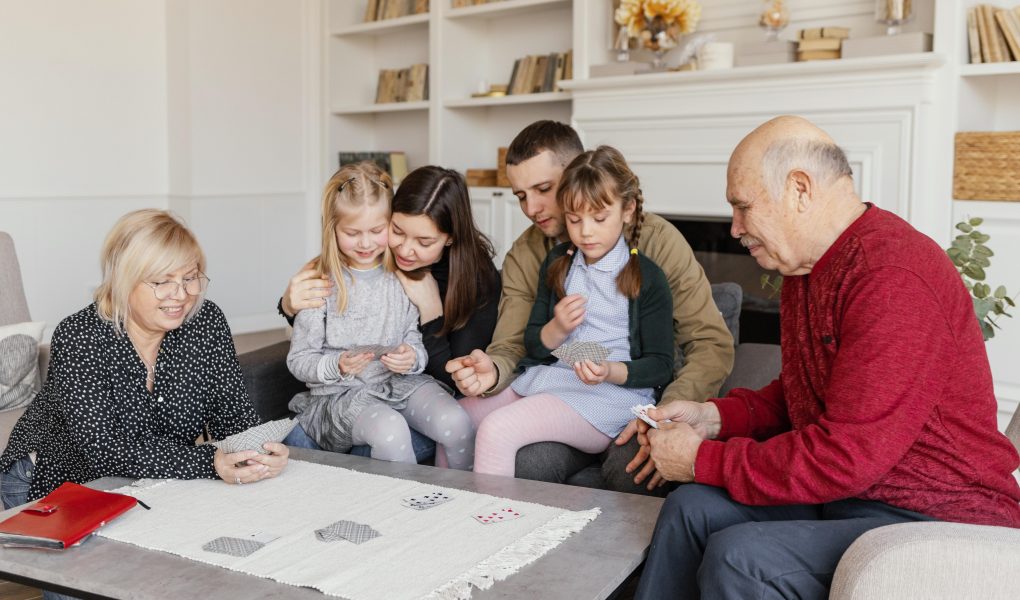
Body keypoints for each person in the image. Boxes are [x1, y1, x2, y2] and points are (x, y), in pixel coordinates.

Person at [634, 116, 1020, 600]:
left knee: (745, 559)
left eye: (743, 207)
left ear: (799, 189)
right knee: (690, 509)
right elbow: (808, 392)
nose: (734, 229)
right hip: (857, 498)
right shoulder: (808, 267)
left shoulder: (892, 277)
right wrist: (714, 417)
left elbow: (845, 455)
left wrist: (703, 459)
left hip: (933, 515)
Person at [445, 121, 734, 492]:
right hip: (562, 388)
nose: (531, 209)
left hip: (638, 392)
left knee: (632, 468)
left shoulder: (656, 242)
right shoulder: (531, 253)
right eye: (520, 196)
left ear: (579, 175)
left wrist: (665, 414)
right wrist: (493, 371)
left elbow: (710, 343)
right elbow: (516, 343)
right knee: (523, 459)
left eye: (544, 189)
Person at [0, 209, 289, 509]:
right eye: (162, 281)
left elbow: (234, 416)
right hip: (53, 480)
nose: (181, 295)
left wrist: (257, 452)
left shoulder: (206, 321)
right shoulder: (79, 335)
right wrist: (210, 462)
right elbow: (104, 451)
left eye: (190, 278)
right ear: (124, 281)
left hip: (152, 478)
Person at [463, 146, 674, 476]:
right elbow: (534, 344)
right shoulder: (559, 263)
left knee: (497, 429)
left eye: (599, 218)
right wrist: (557, 328)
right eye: (575, 220)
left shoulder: (647, 277)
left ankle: (491, 525)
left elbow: (661, 366)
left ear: (628, 209)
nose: (586, 231)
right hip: (554, 378)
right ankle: (444, 513)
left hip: (608, 395)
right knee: (458, 418)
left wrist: (609, 370)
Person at [278, 166, 500, 459]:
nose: (367, 243)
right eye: (397, 232)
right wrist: (336, 362)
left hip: (400, 385)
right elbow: (301, 356)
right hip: (343, 395)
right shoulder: (321, 282)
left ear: (449, 238)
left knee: (456, 421)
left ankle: (467, 501)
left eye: (376, 231)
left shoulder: (405, 276)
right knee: (390, 430)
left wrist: (411, 357)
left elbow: (416, 342)